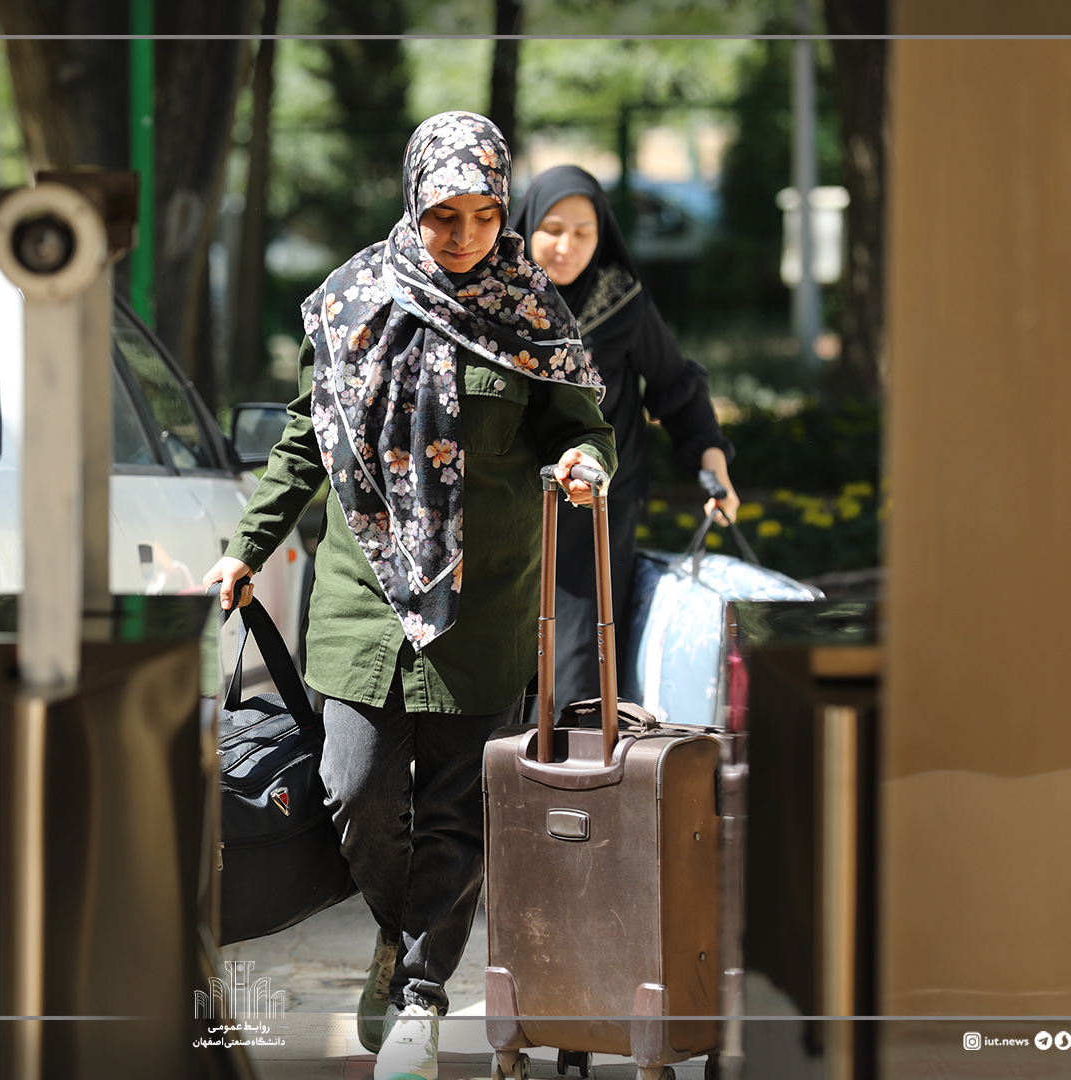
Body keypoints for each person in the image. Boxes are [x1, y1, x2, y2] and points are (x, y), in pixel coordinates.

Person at [203, 112, 615, 1080]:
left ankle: (421, 995)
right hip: (363, 603)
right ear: (411, 202)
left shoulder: (532, 313)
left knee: (457, 812)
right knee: (353, 791)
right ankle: (399, 931)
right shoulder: (349, 303)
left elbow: (580, 424)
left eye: (483, 215)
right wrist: (246, 548)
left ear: (503, 210)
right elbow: (304, 440)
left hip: (487, 604)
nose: (464, 235)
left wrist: (585, 464)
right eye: (443, 216)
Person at [507, 166, 739, 707]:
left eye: (582, 232)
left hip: (596, 515)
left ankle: (576, 761)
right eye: (552, 229)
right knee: (505, 663)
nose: (566, 246)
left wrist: (714, 466)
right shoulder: (497, 300)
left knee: (576, 669)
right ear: (526, 229)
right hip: (510, 510)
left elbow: (675, 387)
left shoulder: (622, 303)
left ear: (603, 234)